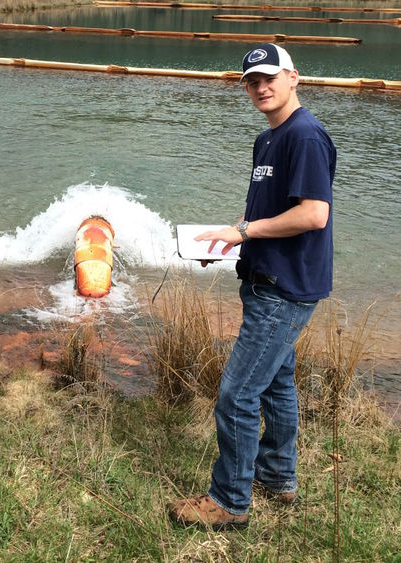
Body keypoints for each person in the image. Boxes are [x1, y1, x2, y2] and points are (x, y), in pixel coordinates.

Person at [169, 43, 336, 529]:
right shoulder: (269, 139)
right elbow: (265, 214)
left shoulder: (304, 136)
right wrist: (226, 241)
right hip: (266, 280)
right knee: (277, 385)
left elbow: (313, 213)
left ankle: (228, 502)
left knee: (237, 395)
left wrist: (241, 232)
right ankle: (278, 477)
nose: (260, 87)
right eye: (251, 81)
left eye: (270, 78)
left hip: (284, 289)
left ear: (293, 78)